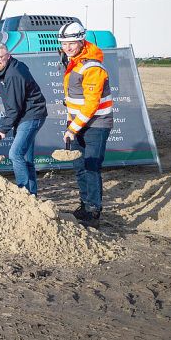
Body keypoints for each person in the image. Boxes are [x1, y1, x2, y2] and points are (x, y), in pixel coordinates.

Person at [59, 22, 113, 225]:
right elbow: (73, 99)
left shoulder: (92, 66)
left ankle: (94, 211)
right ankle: (84, 204)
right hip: (79, 125)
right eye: (64, 44)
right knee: (79, 165)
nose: (67, 47)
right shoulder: (73, 61)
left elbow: (91, 104)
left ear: (81, 41)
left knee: (91, 166)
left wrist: (72, 128)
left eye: (72, 43)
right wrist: (70, 124)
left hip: (97, 125)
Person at [0, 42, 48, 195]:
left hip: (32, 114)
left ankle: (23, 193)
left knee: (15, 154)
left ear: (8, 57)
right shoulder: (1, 70)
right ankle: (32, 196)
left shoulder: (13, 74)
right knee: (26, 158)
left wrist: (4, 128)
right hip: (23, 115)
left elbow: (14, 107)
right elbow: (12, 104)